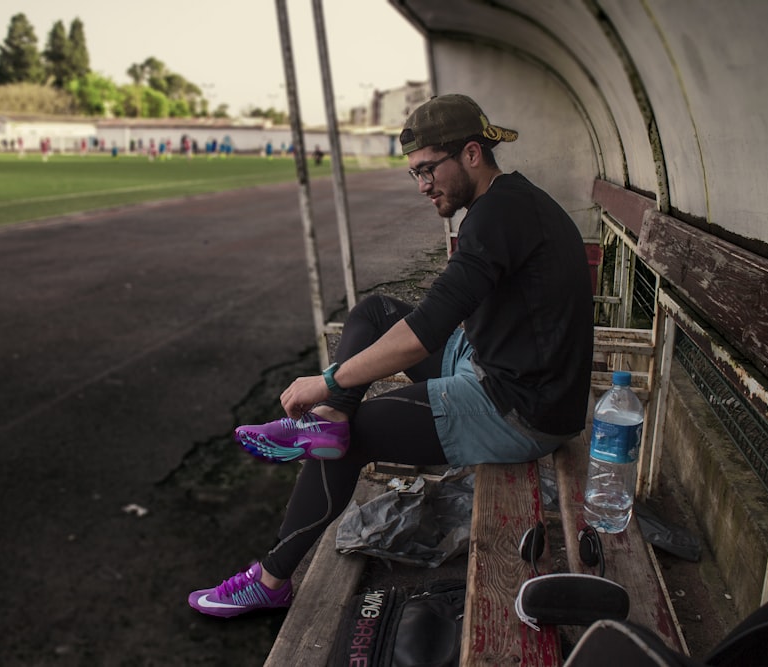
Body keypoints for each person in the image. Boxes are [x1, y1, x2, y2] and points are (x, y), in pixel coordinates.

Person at [187, 94, 594, 618]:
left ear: (472, 154)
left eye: (428, 170)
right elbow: (436, 316)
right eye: (414, 174)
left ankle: (270, 579)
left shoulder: (498, 216)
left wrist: (329, 381)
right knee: (375, 310)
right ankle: (328, 423)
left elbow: (425, 331)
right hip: (499, 367)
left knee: (352, 438)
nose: (423, 186)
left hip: (520, 409)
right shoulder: (505, 204)